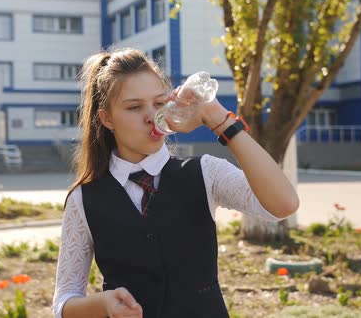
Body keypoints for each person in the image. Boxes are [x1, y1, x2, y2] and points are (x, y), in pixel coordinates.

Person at [52, 48, 299, 318]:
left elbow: (284, 204)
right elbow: (64, 302)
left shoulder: (205, 172)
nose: (151, 116)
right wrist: (103, 304)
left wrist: (217, 117)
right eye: (134, 107)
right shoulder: (84, 198)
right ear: (106, 118)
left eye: (159, 103)